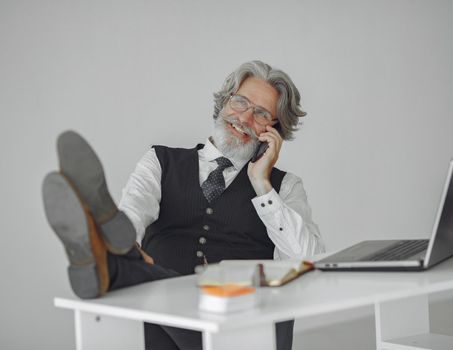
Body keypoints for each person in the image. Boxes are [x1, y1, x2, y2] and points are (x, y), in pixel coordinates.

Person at [42, 60, 325, 350]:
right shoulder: (159, 161)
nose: (245, 118)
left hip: (241, 325)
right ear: (225, 101)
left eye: (261, 113)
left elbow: (311, 262)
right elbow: (132, 214)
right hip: (155, 326)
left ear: (273, 130)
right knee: (128, 246)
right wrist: (129, 245)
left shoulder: (284, 187)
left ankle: (109, 263)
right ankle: (114, 255)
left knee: (145, 278)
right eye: (241, 102)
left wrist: (262, 185)